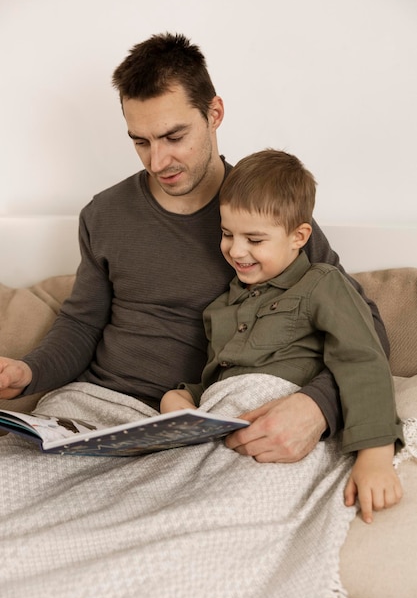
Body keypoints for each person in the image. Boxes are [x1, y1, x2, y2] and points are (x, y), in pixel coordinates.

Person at [0, 33, 389, 463]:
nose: (156, 161)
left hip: (209, 415)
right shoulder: (102, 214)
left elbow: (365, 330)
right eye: (140, 141)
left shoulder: (266, 213)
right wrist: (29, 371)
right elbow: (81, 323)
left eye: (173, 136)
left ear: (214, 114)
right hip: (101, 405)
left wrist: (317, 407)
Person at [161, 148, 403, 523]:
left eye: (254, 240)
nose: (236, 250)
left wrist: (375, 457)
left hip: (280, 429)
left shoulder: (322, 284)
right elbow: (224, 378)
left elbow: (362, 358)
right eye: (227, 233)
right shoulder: (221, 307)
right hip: (227, 431)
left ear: (299, 236)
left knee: (221, 515)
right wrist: (181, 398)